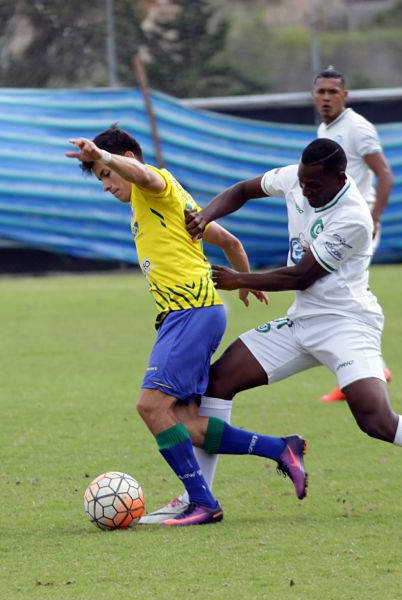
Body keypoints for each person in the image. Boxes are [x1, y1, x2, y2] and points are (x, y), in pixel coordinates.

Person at [145, 138, 402, 520]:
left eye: (314, 185)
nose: (305, 190)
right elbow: (243, 190)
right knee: (217, 382)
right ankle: (200, 498)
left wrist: (239, 278)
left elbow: (302, 275)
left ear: (340, 177)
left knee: (376, 421)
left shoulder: (353, 217)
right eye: (303, 182)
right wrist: (204, 215)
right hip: (301, 321)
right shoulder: (298, 178)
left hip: (346, 324)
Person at [65, 125, 308, 527]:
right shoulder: (167, 206)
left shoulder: (154, 185)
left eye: (106, 176)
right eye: (100, 179)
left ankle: (202, 501)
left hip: (191, 311)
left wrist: (103, 156)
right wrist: (245, 282)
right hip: (193, 313)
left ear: (126, 157)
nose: (106, 184)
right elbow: (231, 242)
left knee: (151, 406)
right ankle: (282, 448)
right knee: (188, 423)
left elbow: (143, 174)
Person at [312, 66, 394, 403]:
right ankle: (371, 368)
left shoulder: (358, 128)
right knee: (335, 295)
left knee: (338, 296)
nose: (327, 98)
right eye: (322, 92)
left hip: (357, 228)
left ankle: (362, 372)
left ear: (345, 95)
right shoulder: (324, 129)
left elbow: (384, 174)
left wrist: (374, 217)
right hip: (335, 226)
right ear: (314, 96)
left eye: (333, 92)